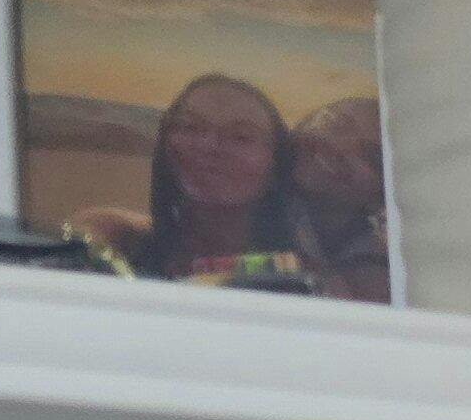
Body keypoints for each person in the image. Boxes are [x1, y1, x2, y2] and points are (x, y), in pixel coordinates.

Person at [116, 73, 301, 282]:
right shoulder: (117, 243)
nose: (209, 145)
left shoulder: (299, 274)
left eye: (241, 137)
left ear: (276, 163)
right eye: (190, 127)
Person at [287, 92, 390, 303]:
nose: (339, 146)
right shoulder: (235, 201)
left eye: (373, 156)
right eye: (336, 124)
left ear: (381, 196)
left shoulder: (376, 269)